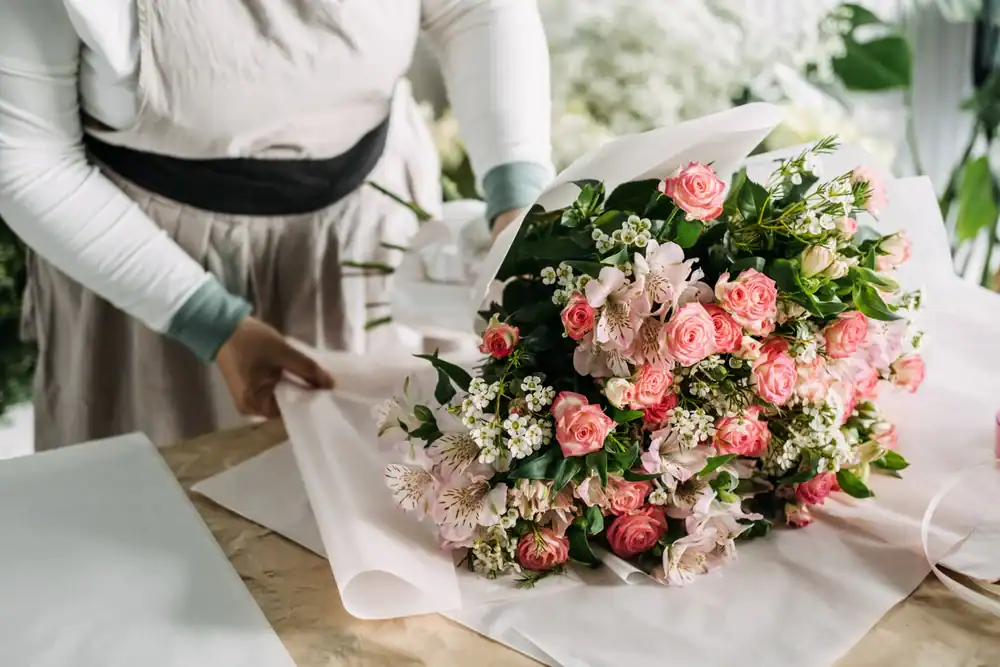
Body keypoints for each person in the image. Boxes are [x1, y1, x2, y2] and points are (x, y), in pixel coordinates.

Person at [0, 0, 553, 450]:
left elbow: (475, 8)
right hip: (149, 268)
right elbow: (28, 160)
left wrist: (517, 204)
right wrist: (209, 322)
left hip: (368, 231)